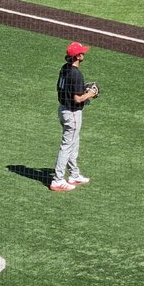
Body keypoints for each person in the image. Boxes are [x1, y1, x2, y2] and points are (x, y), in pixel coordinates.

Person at [51, 42, 98, 191]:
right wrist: (90, 94)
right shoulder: (76, 74)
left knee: (73, 143)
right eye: (82, 52)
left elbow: (67, 89)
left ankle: (74, 174)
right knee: (67, 145)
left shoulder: (64, 68)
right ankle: (57, 180)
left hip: (63, 109)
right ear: (78, 56)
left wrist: (83, 91)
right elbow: (77, 99)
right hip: (72, 113)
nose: (84, 54)